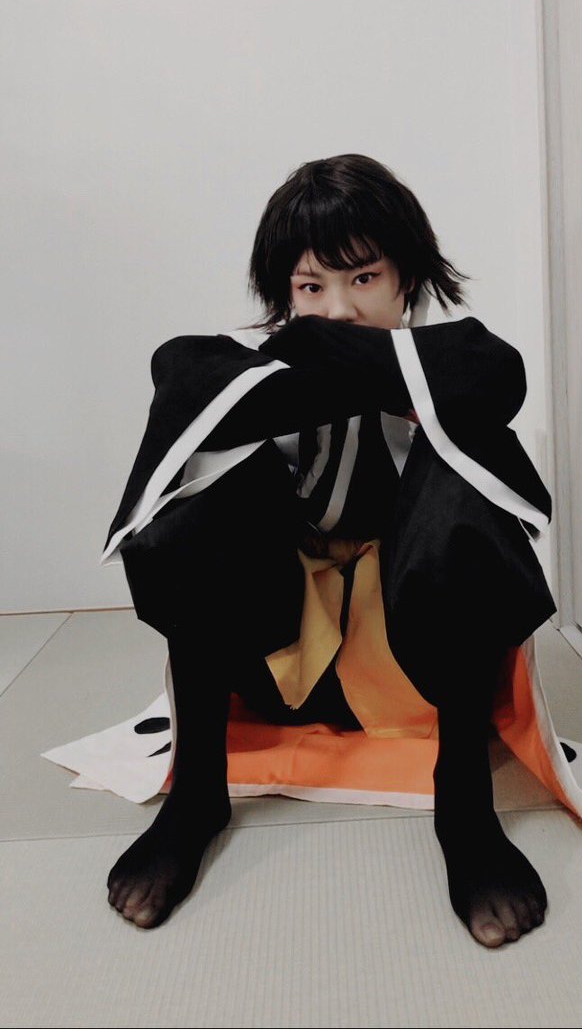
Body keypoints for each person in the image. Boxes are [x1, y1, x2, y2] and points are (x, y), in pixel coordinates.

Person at [104, 153, 556, 947]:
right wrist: (391, 376)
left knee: (461, 474)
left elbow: (495, 375)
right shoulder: (246, 362)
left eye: (364, 279)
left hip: (416, 660)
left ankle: (463, 805)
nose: (338, 310)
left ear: (407, 276)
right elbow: (178, 372)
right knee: (201, 493)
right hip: (278, 655)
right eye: (310, 287)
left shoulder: (453, 362)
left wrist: (356, 371)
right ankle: (197, 793)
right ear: (283, 291)